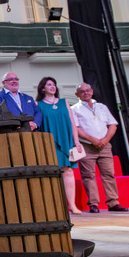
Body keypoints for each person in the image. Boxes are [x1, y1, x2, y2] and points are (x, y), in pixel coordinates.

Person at [71, 83, 129, 213]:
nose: (85, 93)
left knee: (109, 174)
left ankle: (113, 203)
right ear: (77, 95)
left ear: (92, 91)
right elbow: (76, 128)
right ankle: (93, 204)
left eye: (87, 90)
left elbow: (113, 125)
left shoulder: (101, 107)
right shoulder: (75, 109)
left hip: (104, 145)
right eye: (82, 91)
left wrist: (104, 140)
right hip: (86, 146)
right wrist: (93, 140)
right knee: (88, 175)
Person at [36, 77, 84, 215]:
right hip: (50, 141)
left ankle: (73, 205)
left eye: (54, 85)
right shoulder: (38, 104)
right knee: (52, 172)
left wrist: (77, 141)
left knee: (68, 171)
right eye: (49, 84)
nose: (52, 87)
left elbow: (72, 123)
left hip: (66, 140)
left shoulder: (64, 102)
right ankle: (55, 205)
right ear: (42, 88)